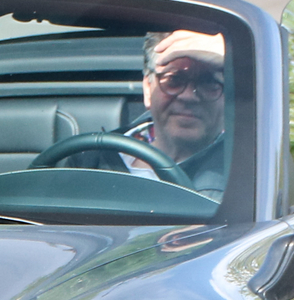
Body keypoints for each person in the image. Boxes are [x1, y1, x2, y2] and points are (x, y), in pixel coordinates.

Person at [70, 32, 230, 190]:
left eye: (209, 82)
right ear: (148, 88)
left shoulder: (247, 166)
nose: (188, 96)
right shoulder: (87, 160)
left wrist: (237, 58)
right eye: (174, 79)